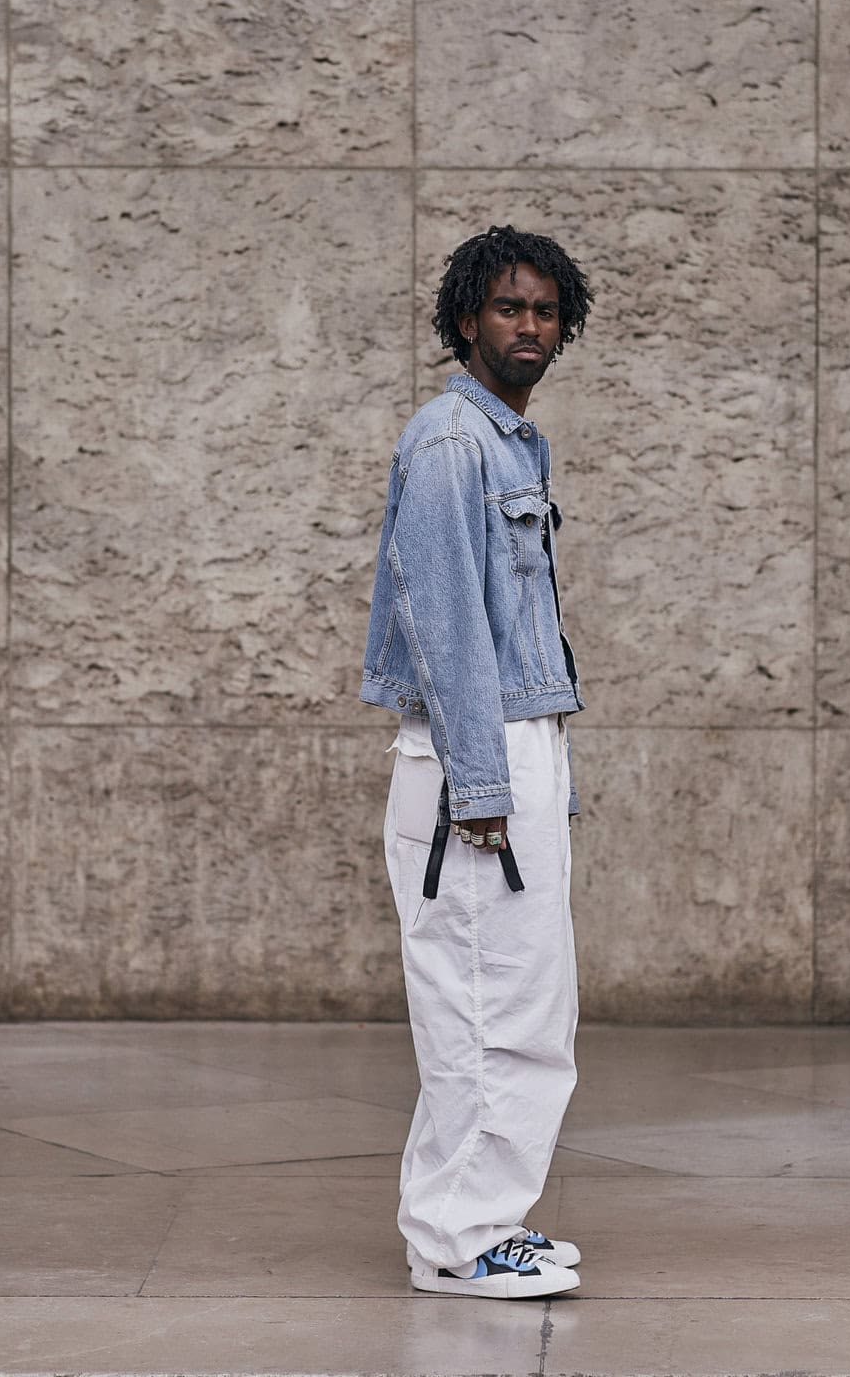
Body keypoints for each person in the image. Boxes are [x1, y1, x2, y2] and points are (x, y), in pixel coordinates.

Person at [359, 226, 595, 1300]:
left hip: (512, 742)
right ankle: (461, 1236)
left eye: (545, 310)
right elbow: (446, 621)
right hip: (473, 759)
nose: (528, 325)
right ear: (467, 320)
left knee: (526, 1005)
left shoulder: (511, 442)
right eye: (509, 307)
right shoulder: (454, 442)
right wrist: (487, 785)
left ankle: (473, 1222)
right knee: (484, 1007)